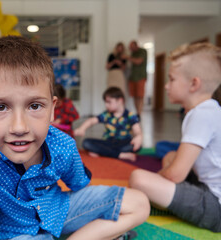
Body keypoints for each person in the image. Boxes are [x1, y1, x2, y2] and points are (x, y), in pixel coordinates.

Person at [0, 36, 149, 240]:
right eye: (1, 107)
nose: (19, 127)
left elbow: (81, 186)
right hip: (14, 232)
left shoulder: (63, 145)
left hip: (57, 211)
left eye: (34, 106)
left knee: (140, 203)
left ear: (52, 109)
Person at [129, 42, 221, 232]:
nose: (166, 85)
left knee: (138, 178)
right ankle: (167, 197)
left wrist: (158, 179)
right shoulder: (209, 109)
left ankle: (162, 200)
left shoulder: (201, 114)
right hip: (207, 186)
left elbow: (175, 174)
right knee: (170, 155)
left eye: (172, 79)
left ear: (194, 84)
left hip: (215, 206)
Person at [74, 87, 142, 162]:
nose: (106, 105)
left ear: (120, 100)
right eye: (105, 102)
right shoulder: (106, 114)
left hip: (123, 142)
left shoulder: (130, 115)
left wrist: (138, 137)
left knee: (137, 146)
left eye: (109, 102)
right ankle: (121, 155)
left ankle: (103, 152)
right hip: (108, 142)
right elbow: (91, 121)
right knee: (86, 143)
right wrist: (82, 129)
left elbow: (137, 130)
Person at [128, 40, 147, 117]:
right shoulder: (132, 53)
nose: (131, 49)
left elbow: (139, 61)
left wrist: (127, 57)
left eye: (132, 47)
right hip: (132, 77)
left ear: (136, 45)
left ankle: (139, 113)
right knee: (134, 96)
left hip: (140, 77)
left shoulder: (142, 51)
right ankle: (137, 112)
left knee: (140, 95)